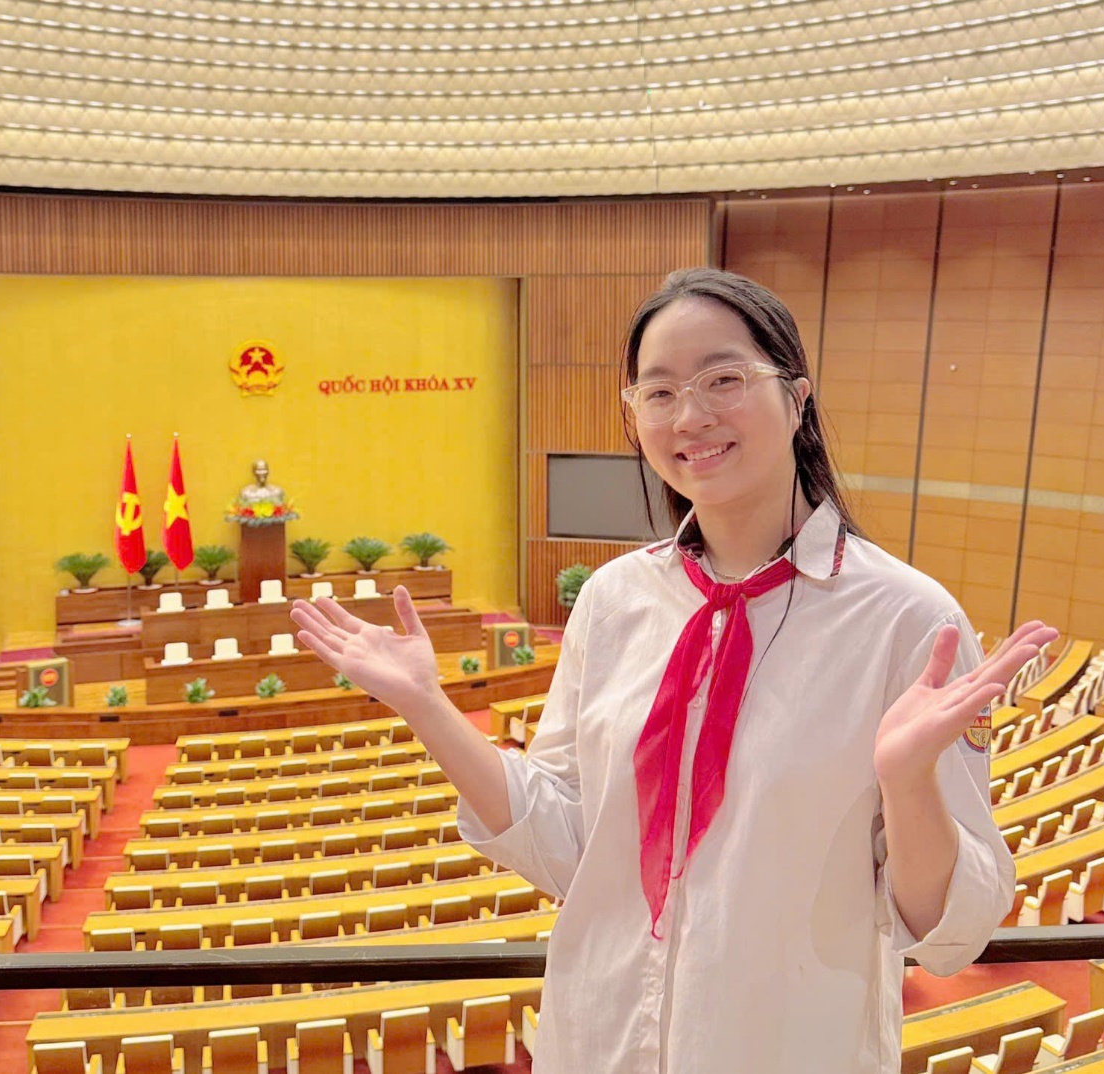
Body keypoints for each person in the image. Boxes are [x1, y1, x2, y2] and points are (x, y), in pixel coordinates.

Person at [289, 268, 1054, 1074]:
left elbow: (951, 932)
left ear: (797, 399)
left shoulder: (906, 620)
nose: (690, 417)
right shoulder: (614, 599)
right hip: (598, 1042)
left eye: (723, 379)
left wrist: (907, 784)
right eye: (658, 393)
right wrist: (426, 704)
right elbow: (569, 846)